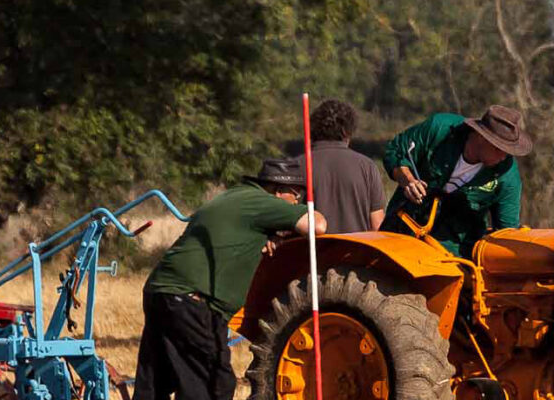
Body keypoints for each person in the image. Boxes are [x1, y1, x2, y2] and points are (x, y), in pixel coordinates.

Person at [133, 158, 327, 400]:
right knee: (214, 384)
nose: (297, 201)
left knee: (155, 384)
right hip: (191, 301)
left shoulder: (234, 197)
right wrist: (287, 226)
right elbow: (317, 225)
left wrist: (275, 234)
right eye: (297, 196)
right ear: (280, 191)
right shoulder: (263, 203)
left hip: (160, 292)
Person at [381, 105, 532, 257]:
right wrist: (408, 181)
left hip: (452, 256)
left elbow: (505, 235)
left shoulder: (507, 177)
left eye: (509, 151)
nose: (504, 157)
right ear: (481, 136)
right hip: (400, 231)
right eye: (499, 148)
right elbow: (396, 151)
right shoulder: (440, 129)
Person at [297, 99, 385, 233]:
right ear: (347, 132)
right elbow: (377, 226)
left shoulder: (297, 165)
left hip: (311, 252)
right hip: (357, 252)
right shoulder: (367, 166)